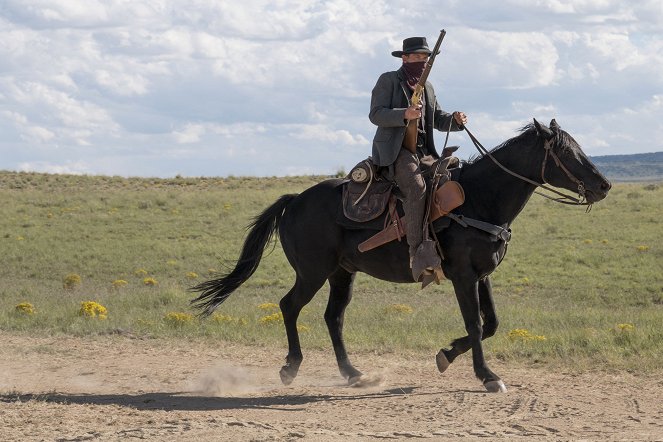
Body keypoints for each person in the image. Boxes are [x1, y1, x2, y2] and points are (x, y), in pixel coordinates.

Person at [369, 36, 467, 280]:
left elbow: (439, 118)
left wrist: (455, 121)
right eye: (417, 57)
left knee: (452, 176)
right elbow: (376, 114)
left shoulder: (429, 88)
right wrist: (405, 113)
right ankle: (417, 253)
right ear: (404, 58)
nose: (422, 61)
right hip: (396, 151)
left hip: (423, 152)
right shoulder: (388, 80)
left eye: (426, 57)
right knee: (416, 188)